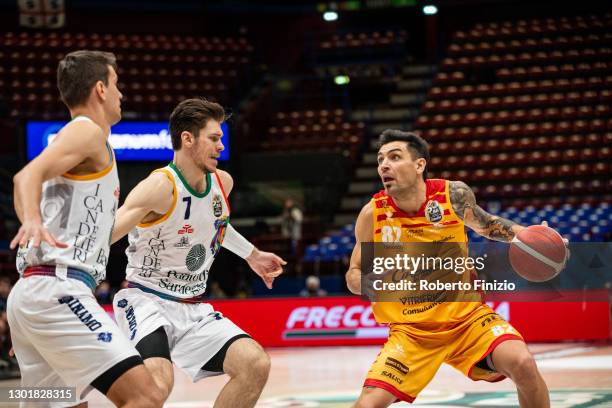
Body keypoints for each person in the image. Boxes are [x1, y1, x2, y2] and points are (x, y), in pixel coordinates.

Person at [346, 130, 553, 407]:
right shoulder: (373, 214)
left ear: (419, 165)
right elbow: (353, 273)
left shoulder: (451, 195)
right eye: (380, 159)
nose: (384, 165)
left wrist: (530, 236)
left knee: (524, 364)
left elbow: (488, 225)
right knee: (367, 405)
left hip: (467, 321)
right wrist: (370, 283)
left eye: (394, 157)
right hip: (412, 333)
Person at [7, 50, 163, 408]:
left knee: (63, 403)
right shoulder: (87, 131)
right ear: (100, 89)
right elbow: (25, 176)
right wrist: (31, 220)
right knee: (145, 396)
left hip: (35, 292)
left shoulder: (82, 144)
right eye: (117, 84)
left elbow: (101, 232)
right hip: (57, 290)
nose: (122, 94)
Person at [110, 98, 286, 407]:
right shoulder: (159, 186)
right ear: (187, 138)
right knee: (158, 386)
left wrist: (252, 255)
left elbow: (215, 225)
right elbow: (107, 234)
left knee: (254, 364)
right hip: (146, 299)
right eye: (214, 138)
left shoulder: (222, 182)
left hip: (193, 307)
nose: (221, 146)